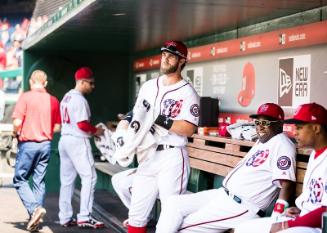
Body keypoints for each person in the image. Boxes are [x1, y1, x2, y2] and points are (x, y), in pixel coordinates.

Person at [155, 103, 296, 233]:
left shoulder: (282, 144)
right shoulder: (263, 141)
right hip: (223, 195)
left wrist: (277, 214)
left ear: (279, 124)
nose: (260, 126)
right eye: (257, 122)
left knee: (184, 225)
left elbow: (287, 183)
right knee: (173, 203)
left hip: (242, 206)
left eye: (265, 122)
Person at [112, 40, 200, 233]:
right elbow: (137, 111)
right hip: (148, 155)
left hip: (172, 156)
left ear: (182, 61)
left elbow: (189, 129)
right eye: (164, 54)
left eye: (171, 55)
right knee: (136, 216)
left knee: (170, 215)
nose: (165, 58)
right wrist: (125, 124)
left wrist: (159, 119)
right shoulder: (149, 86)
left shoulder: (188, 92)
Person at [234, 102, 327, 233]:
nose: (294, 133)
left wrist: (287, 225)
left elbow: (325, 211)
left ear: (316, 128)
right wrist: (300, 210)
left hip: (319, 226)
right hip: (304, 219)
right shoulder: (314, 154)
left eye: (299, 128)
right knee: (242, 228)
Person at [12, 70, 61, 232]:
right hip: (46, 144)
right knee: (39, 181)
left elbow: (17, 122)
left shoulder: (25, 97)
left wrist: (14, 133)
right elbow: (57, 127)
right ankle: (36, 219)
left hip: (28, 144)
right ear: (45, 83)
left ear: (31, 82)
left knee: (20, 179)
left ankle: (34, 209)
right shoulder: (53, 100)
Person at [58, 66, 105, 229]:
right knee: (90, 177)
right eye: (90, 83)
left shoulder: (67, 97)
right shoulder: (79, 99)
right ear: (82, 82)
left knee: (67, 181)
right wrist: (96, 131)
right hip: (77, 141)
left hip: (65, 140)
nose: (93, 86)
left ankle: (64, 216)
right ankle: (84, 216)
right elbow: (83, 125)